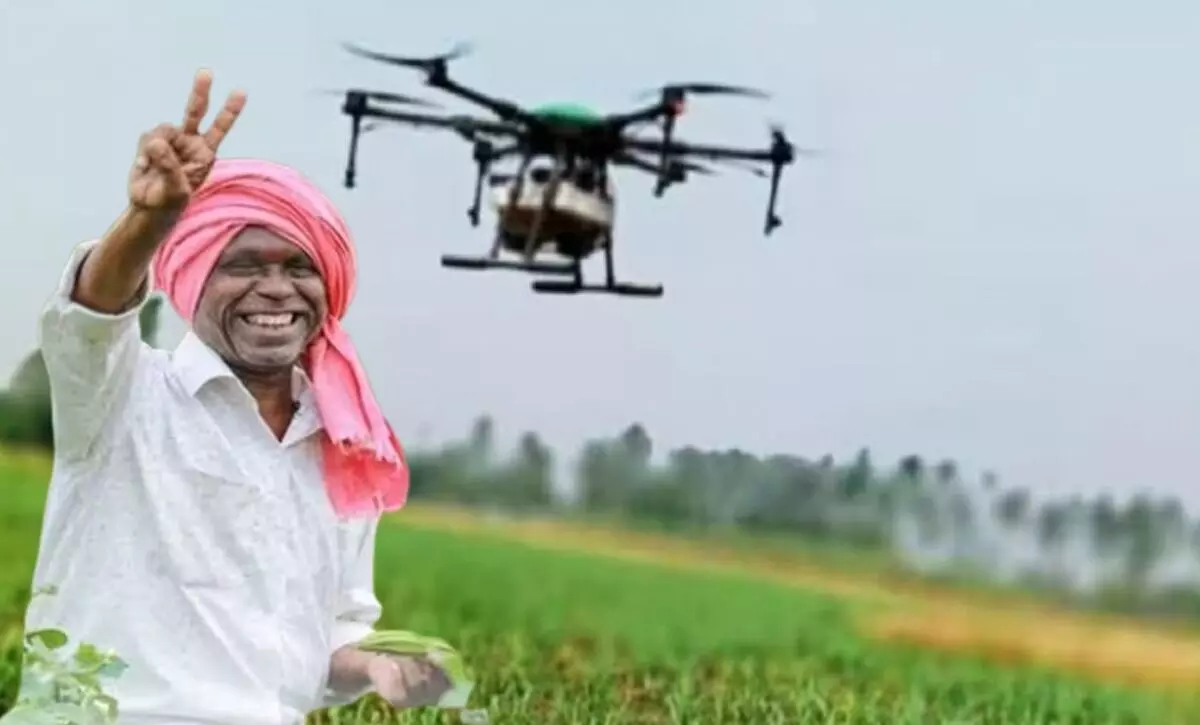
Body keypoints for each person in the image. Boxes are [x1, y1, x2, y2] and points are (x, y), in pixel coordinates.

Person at [21, 69, 451, 723]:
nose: (276, 288)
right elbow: (91, 317)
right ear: (193, 279)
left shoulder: (347, 444)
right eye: (243, 266)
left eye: (299, 267)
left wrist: (375, 664)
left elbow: (326, 633)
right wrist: (149, 220)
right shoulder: (120, 395)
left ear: (328, 287)